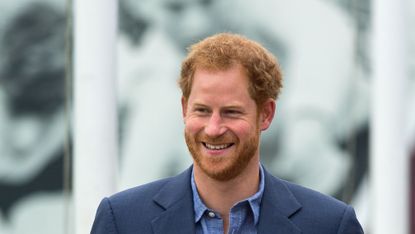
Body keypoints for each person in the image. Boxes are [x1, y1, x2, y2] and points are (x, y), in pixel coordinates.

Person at [91, 33, 363, 233]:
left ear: (266, 114)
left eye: (231, 112)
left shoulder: (330, 225)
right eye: (202, 110)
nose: (213, 128)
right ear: (184, 109)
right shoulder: (122, 221)